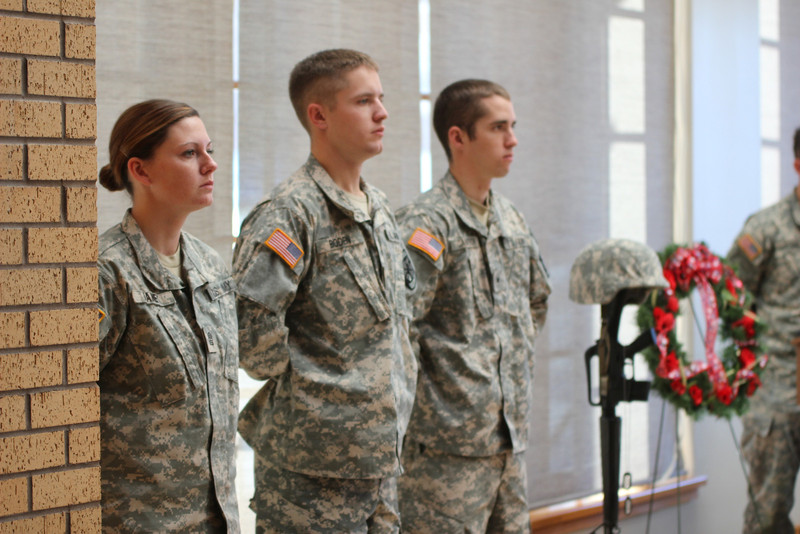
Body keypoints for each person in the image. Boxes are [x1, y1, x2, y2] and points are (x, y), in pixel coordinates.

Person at [232, 49, 417, 533]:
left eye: (381, 98)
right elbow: (249, 331)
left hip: (379, 464)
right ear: (319, 116)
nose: (382, 112)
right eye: (363, 101)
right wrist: (313, 393)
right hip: (310, 474)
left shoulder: (378, 207)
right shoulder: (290, 214)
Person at [396, 79, 551, 533]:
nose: (513, 139)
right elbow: (399, 330)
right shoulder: (425, 225)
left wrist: (496, 368)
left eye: (513, 126)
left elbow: (536, 302)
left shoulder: (511, 219)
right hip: (445, 455)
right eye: (498, 127)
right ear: (458, 138)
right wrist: (452, 392)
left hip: (507, 444)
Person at [97, 99, 240, 533]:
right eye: (189, 153)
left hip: (217, 518)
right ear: (140, 171)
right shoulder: (107, 272)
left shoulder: (210, 266)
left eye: (208, 150)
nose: (210, 165)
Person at [727, 127, 800, 534]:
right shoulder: (767, 228)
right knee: (768, 515)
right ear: (797, 165)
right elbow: (729, 298)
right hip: (778, 391)